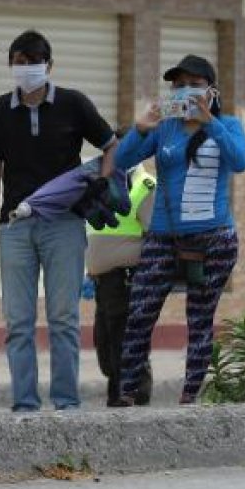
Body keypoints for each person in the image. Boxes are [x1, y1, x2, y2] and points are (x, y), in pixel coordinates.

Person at [0, 30, 118, 412]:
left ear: (49, 66)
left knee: (63, 319)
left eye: (33, 62)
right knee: (18, 322)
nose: (26, 69)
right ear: (10, 66)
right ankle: (24, 405)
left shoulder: (73, 104)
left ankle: (66, 404)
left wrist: (103, 182)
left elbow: (111, 145)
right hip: (16, 227)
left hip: (65, 226)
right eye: (19, 62)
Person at [113, 55, 245, 406]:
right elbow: (122, 160)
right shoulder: (165, 129)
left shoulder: (229, 125)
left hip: (215, 239)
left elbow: (241, 162)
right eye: (177, 84)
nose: (184, 90)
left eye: (193, 83)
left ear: (211, 90)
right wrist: (140, 127)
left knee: (199, 319)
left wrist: (210, 123)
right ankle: (128, 392)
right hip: (164, 237)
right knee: (140, 311)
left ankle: (190, 399)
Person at [85, 161, 156, 406]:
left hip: (127, 277)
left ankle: (133, 393)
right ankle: (120, 390)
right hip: (102, 280)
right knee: (104, 341)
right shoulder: (105, 185)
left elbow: (155, 235)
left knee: (123, 336)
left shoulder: (145, 186)